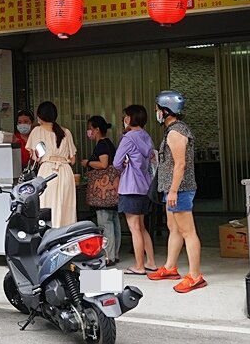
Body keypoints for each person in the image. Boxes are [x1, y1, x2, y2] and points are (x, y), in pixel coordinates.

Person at [147, 91, 206, 293]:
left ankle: (195, 276)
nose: (156, 113)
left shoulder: (176, 132)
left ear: (165, 111)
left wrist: (172, 191)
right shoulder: (173, 130)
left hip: (179, 190)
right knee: (174, 228)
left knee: (188, 232)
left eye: (157, 109)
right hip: (173, 190)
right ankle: (170, 267)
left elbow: (180, 164)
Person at [113, 105, 158, 276]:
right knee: (142, 226)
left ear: (130, 118)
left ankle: (139, 266)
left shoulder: (128, 138)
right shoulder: (146, 136)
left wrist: (124, 163)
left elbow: (117, 163)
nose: (124, 119)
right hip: (144, 186)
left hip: (130, 186)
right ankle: (151, 263)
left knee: (134, 228)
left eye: (125, 116)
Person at [25, 101, 77, 227]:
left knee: (47, 205)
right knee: (66, 207)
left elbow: (35, 157)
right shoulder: (66, 132)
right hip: (65, 171)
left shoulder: (37, 131)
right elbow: (73, 159)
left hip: (48, 171)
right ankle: (66, 234)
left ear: (40, 116)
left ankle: (49, 233)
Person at [81, 115, 120, 265]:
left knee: (105, 223)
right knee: (113, 221)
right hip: (111, 191)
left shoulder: (102, 145)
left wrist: (88, 163)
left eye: (90, 128)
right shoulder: (109, 143)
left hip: (103, 192)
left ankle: (108, 256)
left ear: (96, 130)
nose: (89, 132)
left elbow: (103, 164)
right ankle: (114, 253)